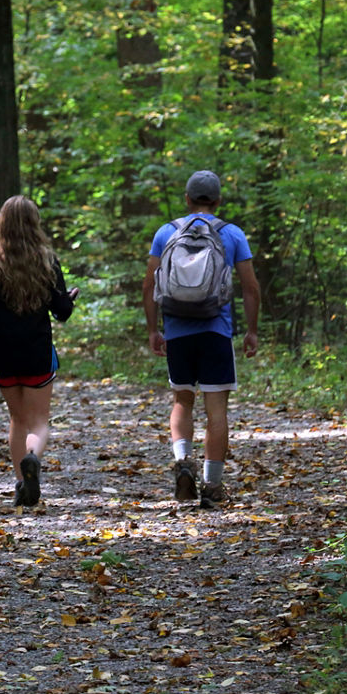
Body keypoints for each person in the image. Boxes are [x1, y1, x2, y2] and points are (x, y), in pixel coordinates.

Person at [142, 170, 260, 506]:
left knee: (182, 399)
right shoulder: (232, 233)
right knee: (216, 409)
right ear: (219, 200)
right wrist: (251, 331)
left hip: (177, 331)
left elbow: (149, 285)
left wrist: (154, 329)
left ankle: (183, 464)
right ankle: (212, 486)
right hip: (216, 330)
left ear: (187, 199)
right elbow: (251, 287)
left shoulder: (167, 232)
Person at [0, 195, 79, 508]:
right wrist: (70, 298)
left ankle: (20, 483)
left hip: (2, 353)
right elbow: (62, 311)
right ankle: (32, 460)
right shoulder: (46, 261)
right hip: (37, 350)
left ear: (1, 223)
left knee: (17, 419)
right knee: (39, 420)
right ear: (33, 224)